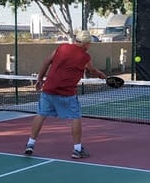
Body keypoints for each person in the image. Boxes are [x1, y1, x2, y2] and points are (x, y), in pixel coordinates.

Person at [25, 30, 107, 159]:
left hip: (48, 89)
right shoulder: (85, 57)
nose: (89, 46)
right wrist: (101, 74)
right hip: (67, 93)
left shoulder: (62, 47)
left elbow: (46, 61)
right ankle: (77, 149)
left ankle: (30, 144)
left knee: (41, 114)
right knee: (76, 117)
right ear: (85, 44)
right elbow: (91, 69)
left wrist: (40, 79)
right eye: (89, 44)